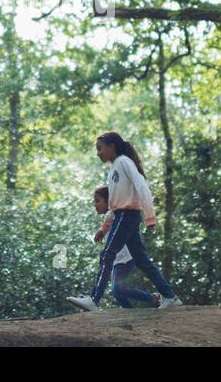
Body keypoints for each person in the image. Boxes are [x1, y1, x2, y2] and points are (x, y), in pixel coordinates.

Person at [67, 131, 182, 312]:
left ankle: (93, 299)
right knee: (142, 260)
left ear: (112, 147)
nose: (98, 153)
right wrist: (104, 228)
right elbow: (113, 204)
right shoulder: (113, 170)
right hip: (124, 216)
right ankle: (169, 296)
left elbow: (141, 185)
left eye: (100, 148)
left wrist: (150, 215)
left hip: (127, 216)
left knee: (107, 254)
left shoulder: (124, 162)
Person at [92, 186, 161, 308]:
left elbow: (109, 221)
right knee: (117, 292)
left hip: (126, 258)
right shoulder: (111, 214)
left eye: (97, 201)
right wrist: (101, 231)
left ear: (108, 201)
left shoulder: (116, 213)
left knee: (117, 290)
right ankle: (130, 311)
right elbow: (107, 222)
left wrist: (102, 230)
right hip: (118, 260)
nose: (95, 205)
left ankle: (152, 298)